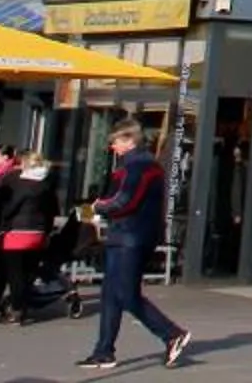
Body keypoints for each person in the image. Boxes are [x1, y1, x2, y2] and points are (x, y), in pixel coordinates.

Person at [79, 120, 191, 371]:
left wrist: (95, 207)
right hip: (126, 235)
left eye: (116, 141)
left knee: (125, 294)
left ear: (130, 140)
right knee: (111, 294)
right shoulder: (136, 164)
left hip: (132, 236)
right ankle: (103, 351)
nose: (113, 146)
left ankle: (171, 333)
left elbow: (125, 200)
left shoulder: (139, 165)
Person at [0, 150, 60, 325]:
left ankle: (17, 309)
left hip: (17, 232)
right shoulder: (45, 185)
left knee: (15, 273)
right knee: (28, 271)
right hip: (37, 233)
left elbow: (9, 208)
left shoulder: (21, 184)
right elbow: (52, 211)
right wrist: (47, 231)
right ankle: (25, 306)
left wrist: (2, 222)